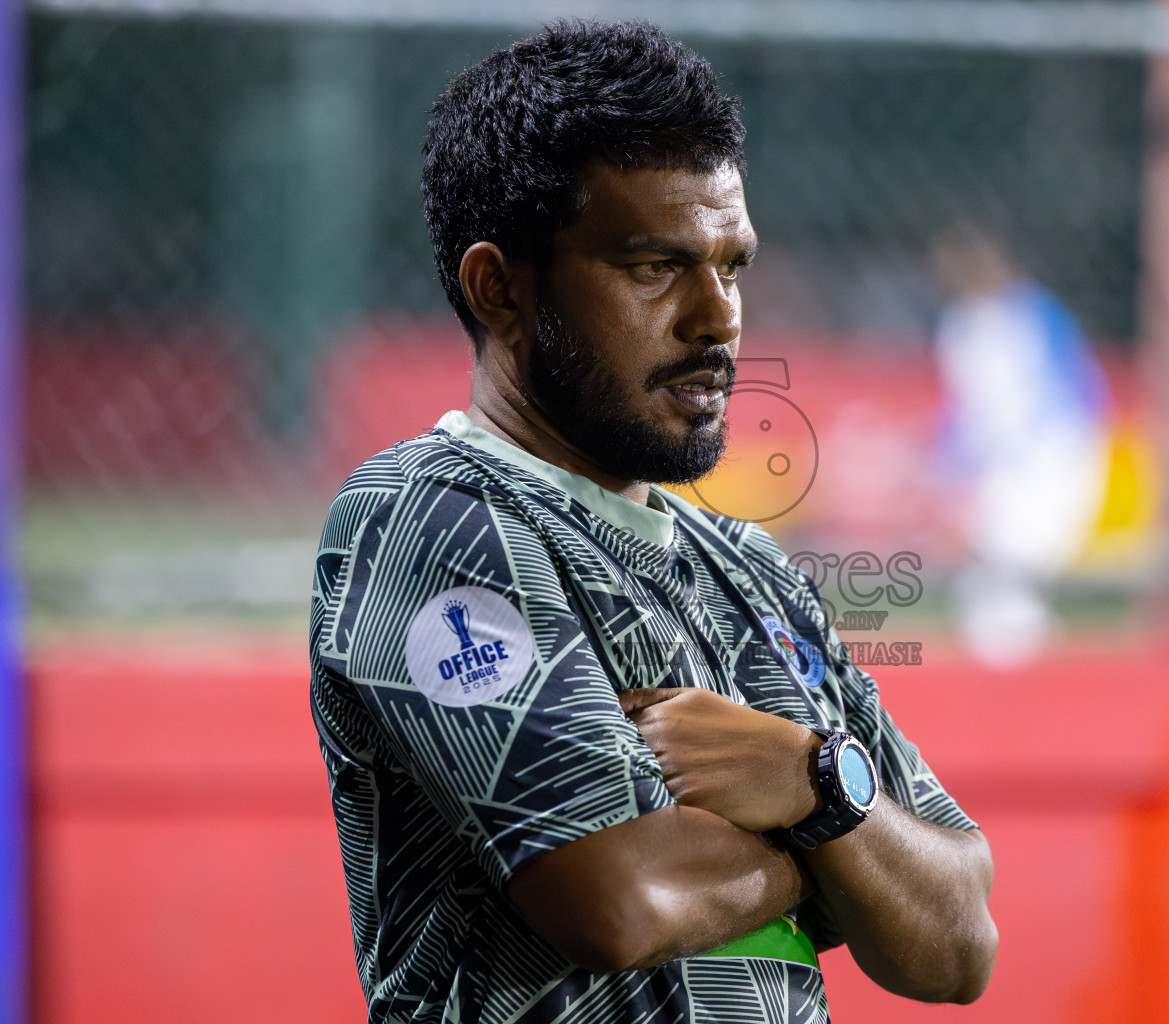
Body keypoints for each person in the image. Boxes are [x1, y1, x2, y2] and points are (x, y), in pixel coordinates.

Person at [309, 21, 996, 1024]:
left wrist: (809, 786)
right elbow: (622, 896)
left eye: (732, 264)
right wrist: (843, 848)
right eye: (653, 267)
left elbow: (958, 937)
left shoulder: (750, 566)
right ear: (500, 288)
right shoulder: (428, 518)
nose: (718, 317)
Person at [929, 225, 1110, 665]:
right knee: (990, 593)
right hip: (1035, 469)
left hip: (1045, 469)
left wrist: (951, 471)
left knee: (998, 590)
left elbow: (999, 420)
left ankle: (1020, 665)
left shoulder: (1019, 321)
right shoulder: (977, 326)